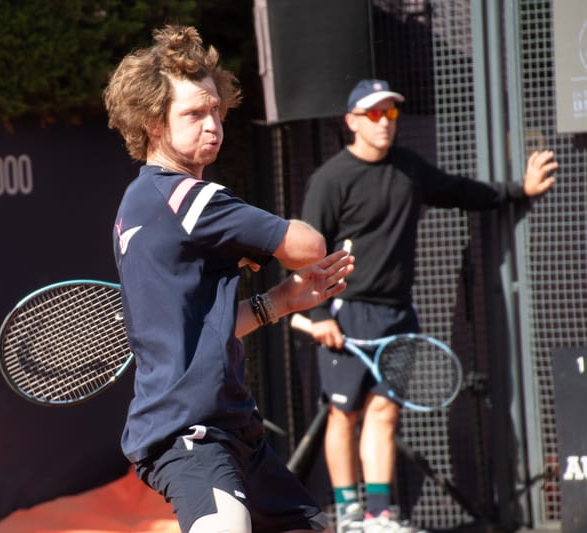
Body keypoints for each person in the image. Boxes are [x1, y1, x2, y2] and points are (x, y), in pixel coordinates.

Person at [103, 25, 355, 533]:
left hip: (236, 432)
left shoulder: (135, 205)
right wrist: (267, 244)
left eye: (216, 109)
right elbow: (308, 245)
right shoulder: (190, 199)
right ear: (154, 123)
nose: (212, 124)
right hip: (189, 431)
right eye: (194, 114)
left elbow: (198, 329)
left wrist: (279, 301)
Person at [299, 79, 557, 533]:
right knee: (344, 414)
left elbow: (459, 191)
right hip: (346, 312)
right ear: (352, 121)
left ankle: (378, 516)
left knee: (384, 412)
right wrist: (320, 314)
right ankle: (349, 515)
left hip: (398, 313)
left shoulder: (409, 169)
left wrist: (520, 190)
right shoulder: (329, 180)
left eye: (392, 114)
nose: (385, 123)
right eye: (375, 114)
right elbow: (306, 251)